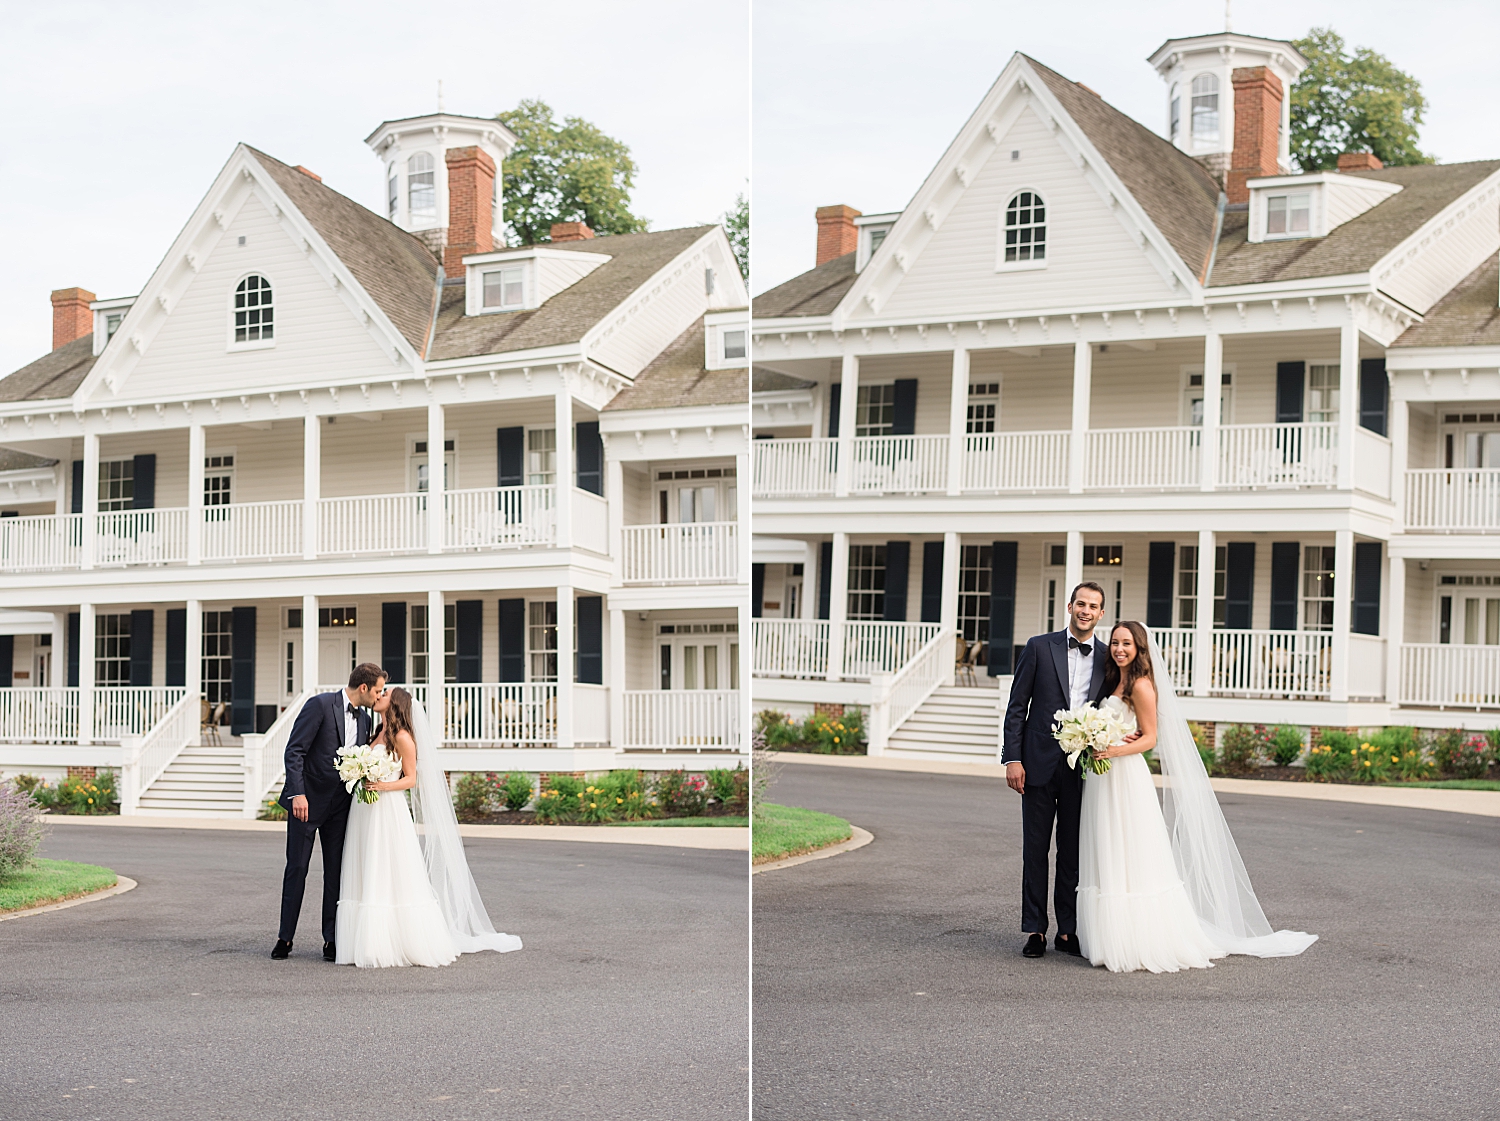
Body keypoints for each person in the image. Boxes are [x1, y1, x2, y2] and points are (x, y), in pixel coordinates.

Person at [1076, 620, 1317, 972]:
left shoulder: (1142, 685)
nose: (1119, 649)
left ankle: (1136, 940)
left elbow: (1149, 739)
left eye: (1127, 643)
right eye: (1114, 642)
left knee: (1131, 851)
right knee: (1107, 848)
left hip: (1125, 776)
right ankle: (1107, 937)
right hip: (1103, 778)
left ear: (1140, 648)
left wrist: (1110, 750)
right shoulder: (1113, 680)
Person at [336, 687, 522, 967]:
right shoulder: (375, 732)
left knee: (389, 870)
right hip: (365, 810)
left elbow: (411, 779)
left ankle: (393, 943)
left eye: (384, 694)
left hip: (387, 810)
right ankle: (366, 941)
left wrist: (382, 785)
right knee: (367, 867)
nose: (379, 696)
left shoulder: (403, 738)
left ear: (395, 704)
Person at [1001, 581, 1108, 959]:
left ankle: (1068, 930)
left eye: (1093, 606)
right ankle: (1035, 929)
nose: (1086, 610)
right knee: (1035, 849)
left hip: (1082, 769)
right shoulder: (1038, 647)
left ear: (1101, 613)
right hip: (1037, 764)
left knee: (1072, 852)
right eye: (1081, 603)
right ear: (1069, 606)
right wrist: (1012, 758)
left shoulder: (1108, 657)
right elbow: (1017, 707)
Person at [272, 663, 386, 961]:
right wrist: (297, 794)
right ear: (364, 688)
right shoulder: (320, 705)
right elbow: (294, 751)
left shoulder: (363, 719)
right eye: (377, 690)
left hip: (341, 807)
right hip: (306, 804)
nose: (379, 696)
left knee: (336, 873)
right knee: (297, 868)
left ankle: (331, 940)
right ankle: (285, 938)